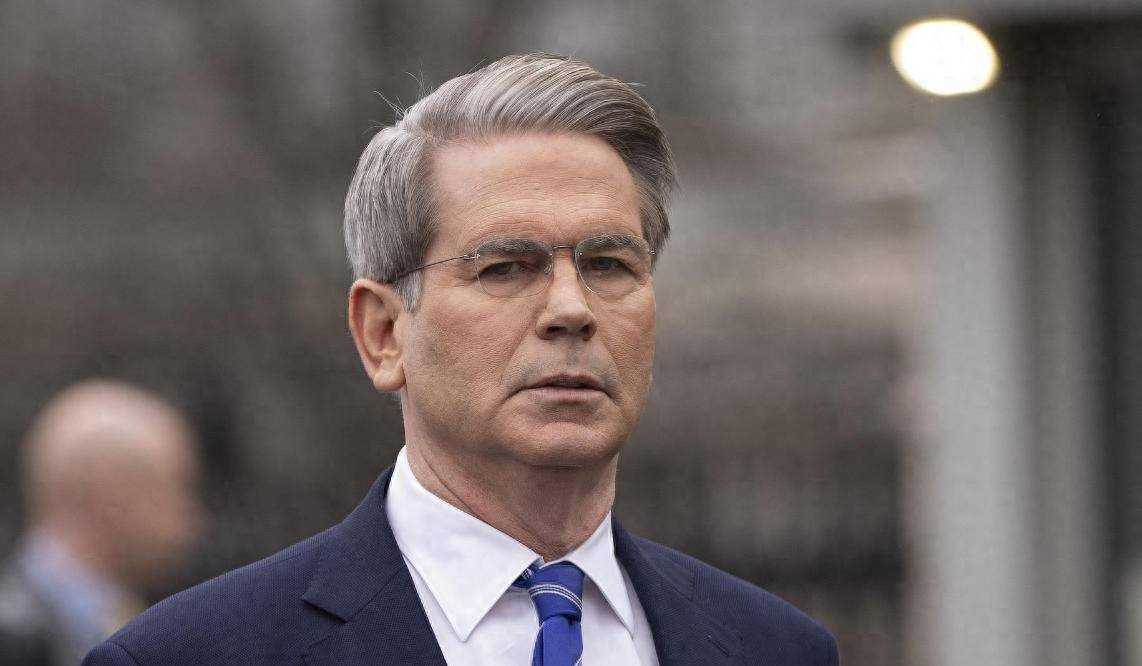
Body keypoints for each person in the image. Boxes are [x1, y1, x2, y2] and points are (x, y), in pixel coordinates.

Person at [83, 53, 838, 665]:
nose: (571, 309)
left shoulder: (775, 649)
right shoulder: (193, 656)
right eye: (505, 268)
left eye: (610, 265)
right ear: (384, 333)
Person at [0, 379, 202, 666]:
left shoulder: (123, 621)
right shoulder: (15, 639)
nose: (191, 519)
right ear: (111, 494)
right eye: (176, 489)